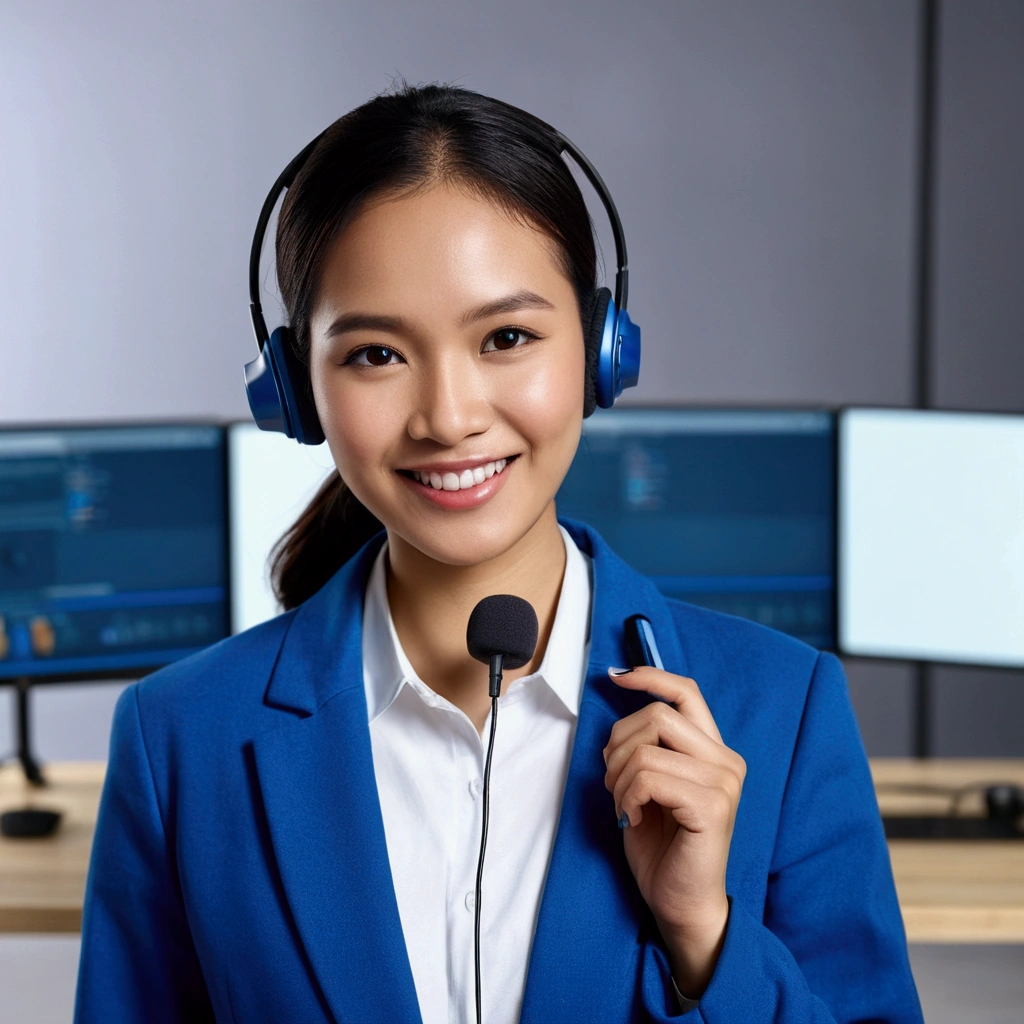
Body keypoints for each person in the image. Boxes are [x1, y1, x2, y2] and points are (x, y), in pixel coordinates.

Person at [74, 81, 923, 1024]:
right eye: (374, 355)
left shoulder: (781, 710)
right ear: (296, 392)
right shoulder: (178, 740)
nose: (449, 417)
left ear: (603, 352)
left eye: (507, 337)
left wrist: (704, 935)